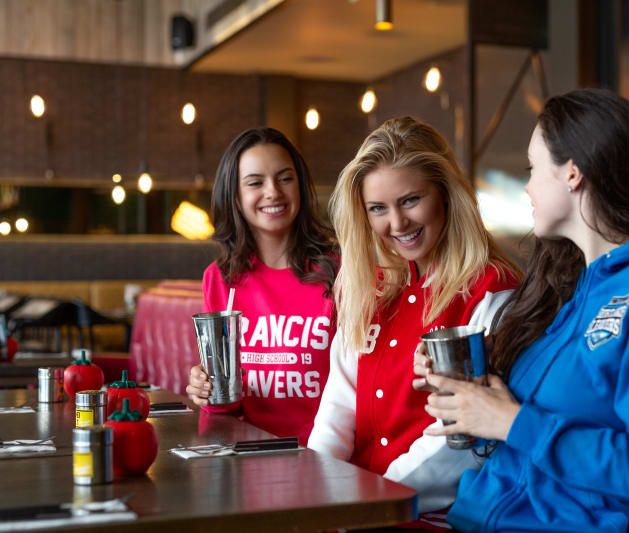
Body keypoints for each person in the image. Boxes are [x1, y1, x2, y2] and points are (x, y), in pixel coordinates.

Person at [418, 89, 629, 532]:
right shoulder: (574, 286)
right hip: (481, 516)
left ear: (572, 172)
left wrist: (512, 422)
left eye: (532, 168)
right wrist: (473, 390)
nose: (527, 185)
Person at [307, 116, 520, 527]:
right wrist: (317, 491)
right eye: (378, 209)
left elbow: (463, 441)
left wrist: (368, 502)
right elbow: (337, 406)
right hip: (357, 509)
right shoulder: (368, 286)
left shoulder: (492, 289)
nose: (397, 224)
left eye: (409, 200)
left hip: (437, 516)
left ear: (445, 194)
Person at [185, 127, 338, 446]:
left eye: (285, 178)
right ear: (236, 197)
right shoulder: (221, 278)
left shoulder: (339, 269)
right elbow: (225, 405)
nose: (273, 192)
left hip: (322, 454)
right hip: (246, 453)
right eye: (255, 182)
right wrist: (206, 387)